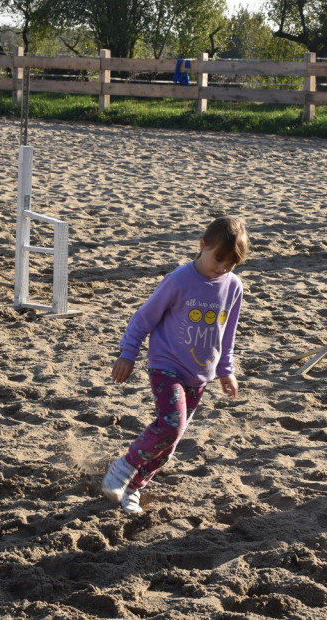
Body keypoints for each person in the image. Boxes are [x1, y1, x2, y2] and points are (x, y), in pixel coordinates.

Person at [101, 216, 248, 515]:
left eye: (230, 264)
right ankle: (123, 467)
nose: (222, 268)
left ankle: (134, 487)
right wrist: (128, 353)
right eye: (218, 259)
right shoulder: (178, 280)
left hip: (200, 375)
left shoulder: (233, 287)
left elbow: (227, 333)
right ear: (202, 245)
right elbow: (144, 318)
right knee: (172, 423)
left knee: (169, 444)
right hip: (166, 365)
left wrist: (225, 369)